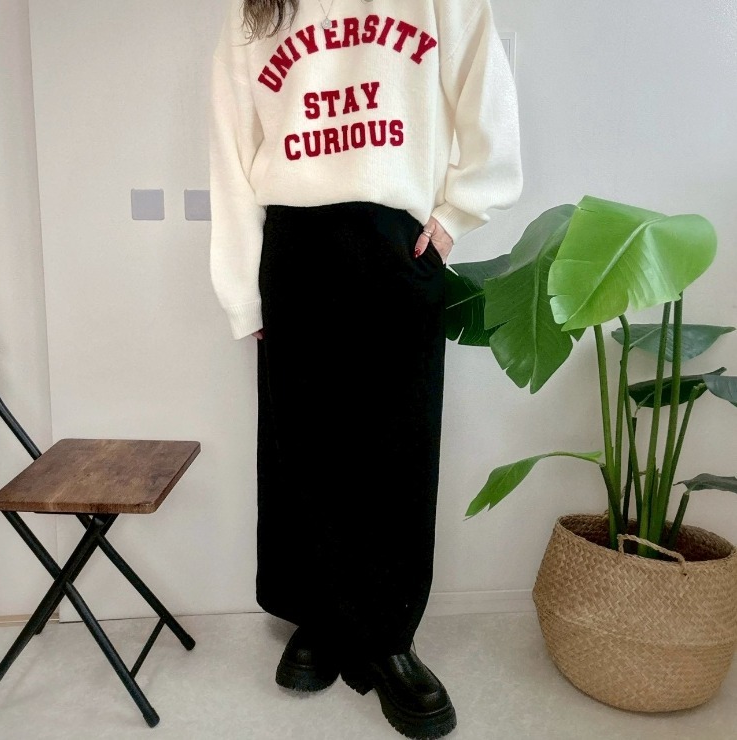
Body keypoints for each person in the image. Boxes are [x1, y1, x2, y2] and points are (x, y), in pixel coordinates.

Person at [208, 1, 522, 737]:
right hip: (295, 244)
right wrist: (242, 291)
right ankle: (319, 618)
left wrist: (457, 213)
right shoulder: (257, 12)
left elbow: (485, 89)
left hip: (394, 238)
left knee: (397, 447)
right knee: (303, 447)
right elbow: (230, 146)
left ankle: (387, 636)